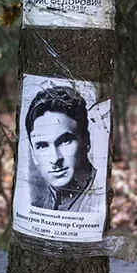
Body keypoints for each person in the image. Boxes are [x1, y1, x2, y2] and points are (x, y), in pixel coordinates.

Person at [24, 85, 103, 213]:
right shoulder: (36, 206)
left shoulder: (101, 197)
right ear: (33, 153)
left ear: (86, 139)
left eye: (65, 141)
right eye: (42, 146)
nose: (55, 159)